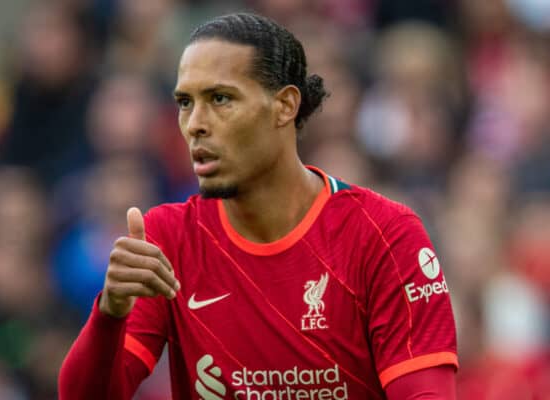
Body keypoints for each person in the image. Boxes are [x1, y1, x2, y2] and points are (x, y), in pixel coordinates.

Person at [59, 12, 458, 399]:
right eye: (185, 102)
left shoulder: (384, 234)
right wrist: (110, 313)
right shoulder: (168, 238)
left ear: (284, 106)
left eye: (220, 98)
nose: (195, 123)